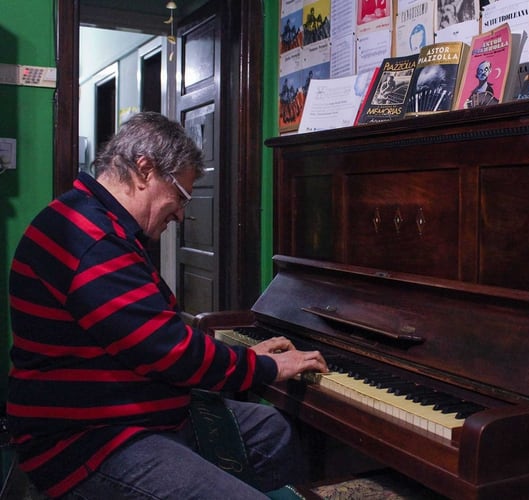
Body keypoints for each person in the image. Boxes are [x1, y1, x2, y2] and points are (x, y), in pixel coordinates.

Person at [7, 111, 328, 499]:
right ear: (145, 169)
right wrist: (263, 367)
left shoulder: (102, 223)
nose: (180, 212)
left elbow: (156, 332)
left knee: (273, 432)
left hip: (130, 413)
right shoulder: (90, 238)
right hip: (89, 442)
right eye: (180, 194)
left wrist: (239, 357)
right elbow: (169, 352)